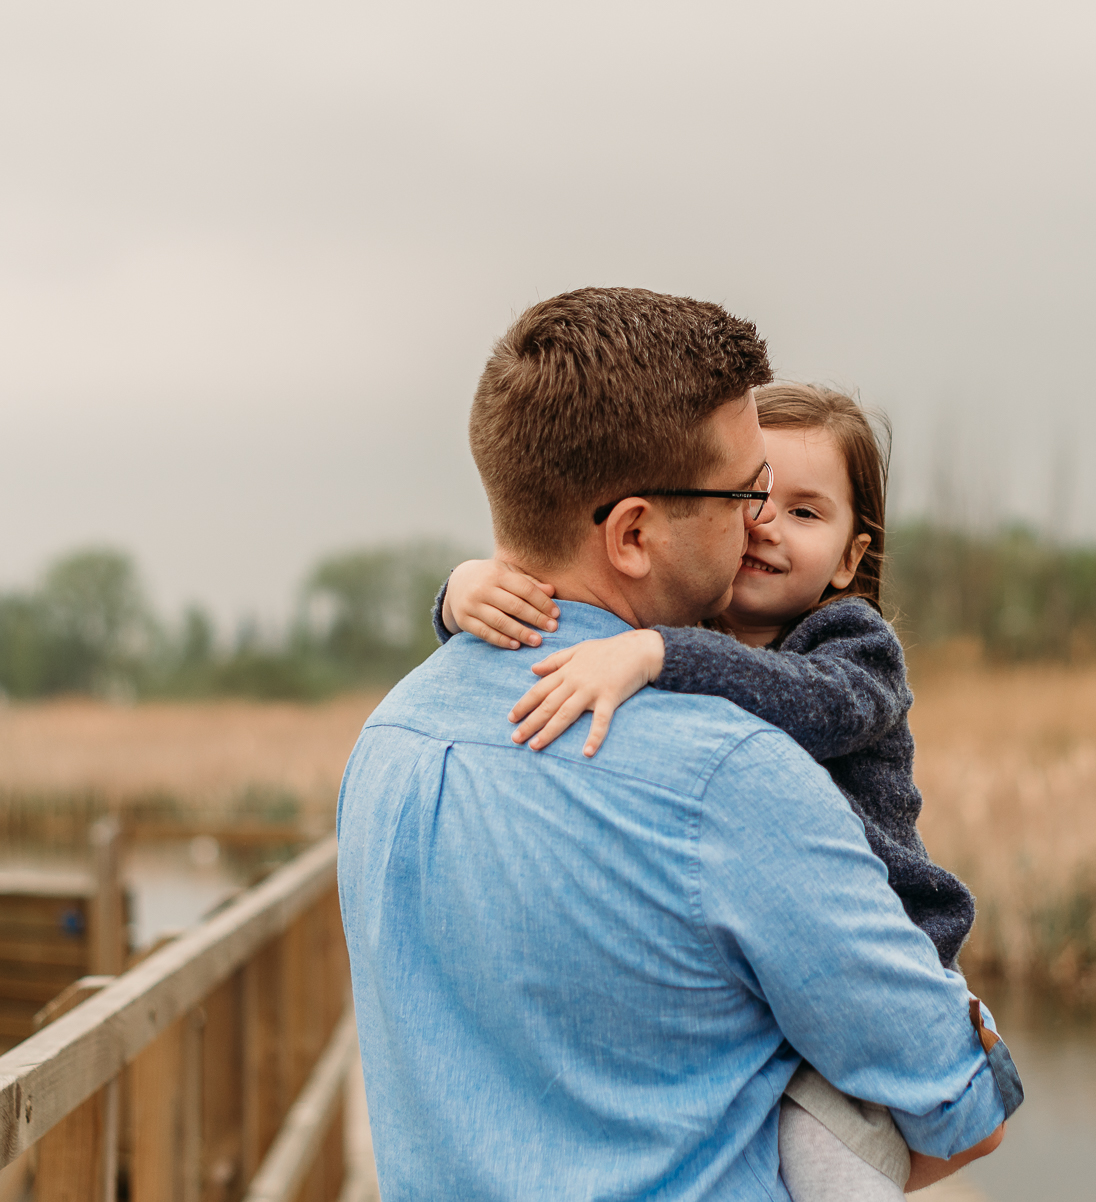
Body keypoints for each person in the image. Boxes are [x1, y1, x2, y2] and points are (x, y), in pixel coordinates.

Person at [336, 288, 1020, 1201]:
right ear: (631, 534)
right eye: (745, 493)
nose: (758, 523)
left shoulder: (389, 741)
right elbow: (965, 1109)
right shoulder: (728, 777)